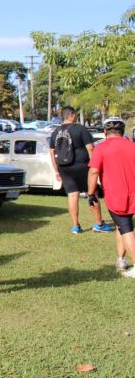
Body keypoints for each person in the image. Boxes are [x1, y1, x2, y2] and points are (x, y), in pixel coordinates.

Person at [49, 106, 113, 235]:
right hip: (82, 166)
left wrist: (57, 170)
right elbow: (90, 148)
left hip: (63, 167)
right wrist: (95, 166)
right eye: (75, 114)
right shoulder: (80, 129)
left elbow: (52, 152)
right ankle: (99, 224)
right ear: (71, 115)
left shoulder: (55, 131)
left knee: (72, 194)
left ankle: (75, 226)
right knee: (92, 193)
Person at [87, 117, 135, 276]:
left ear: (105, 131)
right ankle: (121, 259)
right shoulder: (132, 145)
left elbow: (93, 171)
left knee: (126, 229)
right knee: (122, 225)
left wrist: (90, 194)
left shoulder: (101, 148)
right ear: (122, 131)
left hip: (116, 195)